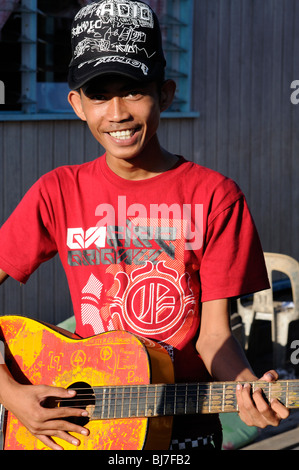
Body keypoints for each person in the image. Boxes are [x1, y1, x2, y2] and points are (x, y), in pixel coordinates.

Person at [0, 0, 289, 451]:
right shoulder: (57, 192)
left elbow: (214, 336)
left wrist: (248, 385)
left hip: (185, 431)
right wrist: (11, 393)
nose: (117, 112)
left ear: (166, 94)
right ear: (76, 103)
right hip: (84, 429)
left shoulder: (215, 197)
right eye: (99, 94)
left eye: (134, 90)